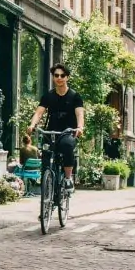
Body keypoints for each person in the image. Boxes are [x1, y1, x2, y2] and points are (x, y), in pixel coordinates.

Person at [26, 63, 85, 193]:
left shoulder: (75, 96)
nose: (59, 78)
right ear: (53, 77)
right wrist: (32, 124)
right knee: (46, 154)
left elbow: (80, 113)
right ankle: (47, 183)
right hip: (51, 132)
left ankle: (68, 178)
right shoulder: (48, 96)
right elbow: (39, 112)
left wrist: (80, 127)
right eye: (56, 75)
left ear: (67, 77)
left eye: (62, 75)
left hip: (68, 132)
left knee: (67, 145)